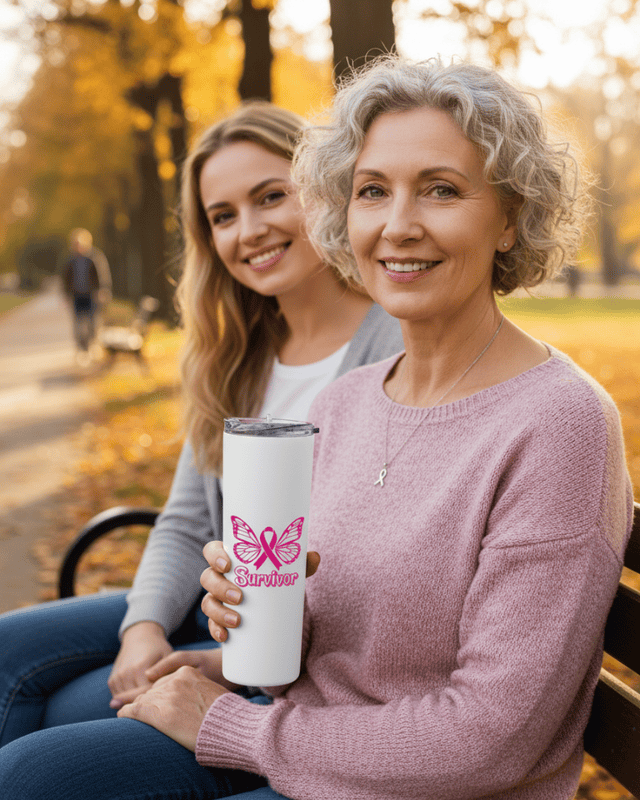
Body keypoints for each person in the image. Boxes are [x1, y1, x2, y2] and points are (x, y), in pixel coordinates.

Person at [126, 56, 628, 800]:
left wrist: (232, 726)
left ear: (512, 217)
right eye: (371, 192)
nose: (398, 226)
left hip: (407, 784)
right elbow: (325, 660)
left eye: (442, 190)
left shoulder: (560, 423)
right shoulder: (345, 403)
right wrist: (256, 628)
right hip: (306, 756)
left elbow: (487, 738)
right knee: (32, 769)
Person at [0, 102, 402, 796]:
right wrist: (144, 630)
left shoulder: (393, 344)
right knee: (10, 650)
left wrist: (219, 662)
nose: (249, 231)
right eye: (222, 215)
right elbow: (186, 518)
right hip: (219, 608)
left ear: (325, 190)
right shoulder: (236, 355)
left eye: (271, 196)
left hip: (296, 645)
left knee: (46, 745)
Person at [61, 227, 111, 356]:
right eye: (75, 244)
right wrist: (66, 295)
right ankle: (81, 349)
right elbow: (65, 279)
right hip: (76, 295)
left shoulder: (95, 257)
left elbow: (102, 275)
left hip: (91, 295)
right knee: (78, 324)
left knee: (92, 323)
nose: (78, 246)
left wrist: (103, 290)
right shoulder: (70, 260)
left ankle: (92, 346)